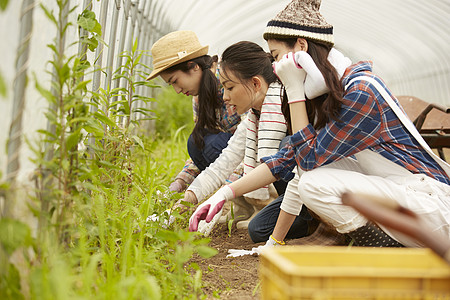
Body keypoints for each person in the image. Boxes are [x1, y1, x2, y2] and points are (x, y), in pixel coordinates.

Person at [190, 0, 450, 251]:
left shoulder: (361, 91)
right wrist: (224, 193)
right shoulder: (327, 95)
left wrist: (293, 90)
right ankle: (379, 243)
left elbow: (307, 160)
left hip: (433, 209)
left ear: (301, 47)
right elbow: (287, 159)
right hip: (406, 202)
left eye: (277, 56)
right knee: (308, 177)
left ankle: (387, 249)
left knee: (313, 182)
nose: (275, 67)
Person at [182, 41, 312, 239]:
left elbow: (276, 165)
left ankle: (316, 217)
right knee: (258, 230)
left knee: (285, 147)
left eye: (230, 87)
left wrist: (225, 193)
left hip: (314, 188)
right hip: (294, 193)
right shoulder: (253, 118)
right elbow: (221, 165)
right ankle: (302, 217)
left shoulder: (286, 106)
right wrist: (185, 201)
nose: (225, 97)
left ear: (255, 83)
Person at [147, 31, 242, 193]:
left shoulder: (231, 82)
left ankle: (242, 195)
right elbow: (199, 152)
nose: (177, 90)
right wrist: (179, 183)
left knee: (209, 143)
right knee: (197, 143)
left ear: (193, 66)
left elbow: (252, 143)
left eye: (175, 81)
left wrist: (227, 191)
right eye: (171, 85)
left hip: (252, 155)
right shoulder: (199, 98)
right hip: (234, 155)